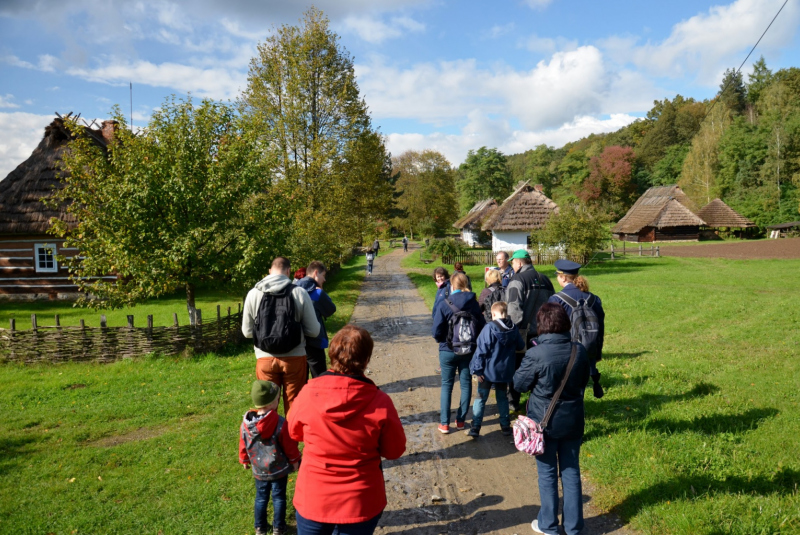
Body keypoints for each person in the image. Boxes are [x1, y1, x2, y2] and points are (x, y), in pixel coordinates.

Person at [288, 325, 406, 535]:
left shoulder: (307, 394)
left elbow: (294, 432)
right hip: (360, 501)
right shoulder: (380, 401)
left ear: (332, 354)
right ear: (366, 359)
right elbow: (394, 450)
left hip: (314, 497)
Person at [513, 303, 589, 535]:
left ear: (542, 325)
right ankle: (574, 528)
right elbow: (583, 380)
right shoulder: (580, 350)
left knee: (547, 474)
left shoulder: (536, 353)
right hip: (573, 420)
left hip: (542, 423)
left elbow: (519, 384)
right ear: (565, 324)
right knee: (571, 472)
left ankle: (548, 525)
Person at [242, 257, 321, 414]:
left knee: (266, 407)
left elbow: (247, 332)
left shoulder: (253, 294)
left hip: (264, 358)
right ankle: (290, 438)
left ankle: (268, 437)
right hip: (295, 357)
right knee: (294, 407)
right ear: (288, 271)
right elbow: (314, 331)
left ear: (270, 271)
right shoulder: (299, 292)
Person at [240, 380, 302, 535]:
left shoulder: (246, 424)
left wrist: (244, 459)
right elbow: (289, 445)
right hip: (278, 469)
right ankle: (278, 528)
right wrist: (294, 461)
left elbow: (243, 442)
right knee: (279, 497)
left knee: (261, 498)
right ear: (274, 402)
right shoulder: (280, 423)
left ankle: (260, 528)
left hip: (259, 469)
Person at [431, 272, 486, 433]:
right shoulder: (474, 303)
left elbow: (436, 331)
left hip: (447, 350)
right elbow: (482, 326)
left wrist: (442, 341)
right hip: (468, 350)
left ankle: (444, 423)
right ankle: (461, 421)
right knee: (466, 383)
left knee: (447, 385)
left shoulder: (444, 303)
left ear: (452, 286)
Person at [506, 249, 554, 412]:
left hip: (523, 334)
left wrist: (511, 333)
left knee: (518, 368)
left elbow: (513, 311)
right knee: (541, 368)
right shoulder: (546, 280)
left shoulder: (517, 279)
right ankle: (538, 403)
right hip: (545, 333)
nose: (512, 265)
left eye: (512, 262)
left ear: (519, 263)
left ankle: (513, 401)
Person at [549, 259, 606, 399]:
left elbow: (551, 330)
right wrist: (597, 353)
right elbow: (600, 328)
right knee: (580, 389)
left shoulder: (556, 300)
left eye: (557, 275)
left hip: (565, 353)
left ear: (562, 277)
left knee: (565, 392)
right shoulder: (594, 299)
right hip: (588, 351)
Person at [468, 301, 524, 438]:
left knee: (481, 398)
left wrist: (477, 371)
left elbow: (481, 351)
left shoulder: (489, 328)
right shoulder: (514, 328)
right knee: (502, 398)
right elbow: (521, 346)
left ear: (493, 314)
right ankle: (505, 426)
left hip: (488, 372)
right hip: (505, 372)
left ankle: (475, 426)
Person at [294, 261, 337, 379]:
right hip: (314, 341)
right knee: (319, 377)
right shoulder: (317, 292)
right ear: (316, 273)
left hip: (295, 341)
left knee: (300, 379)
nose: (324, 280)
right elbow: (331, 310)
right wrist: (322, 291)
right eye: (323, 276)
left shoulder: (293, 288)